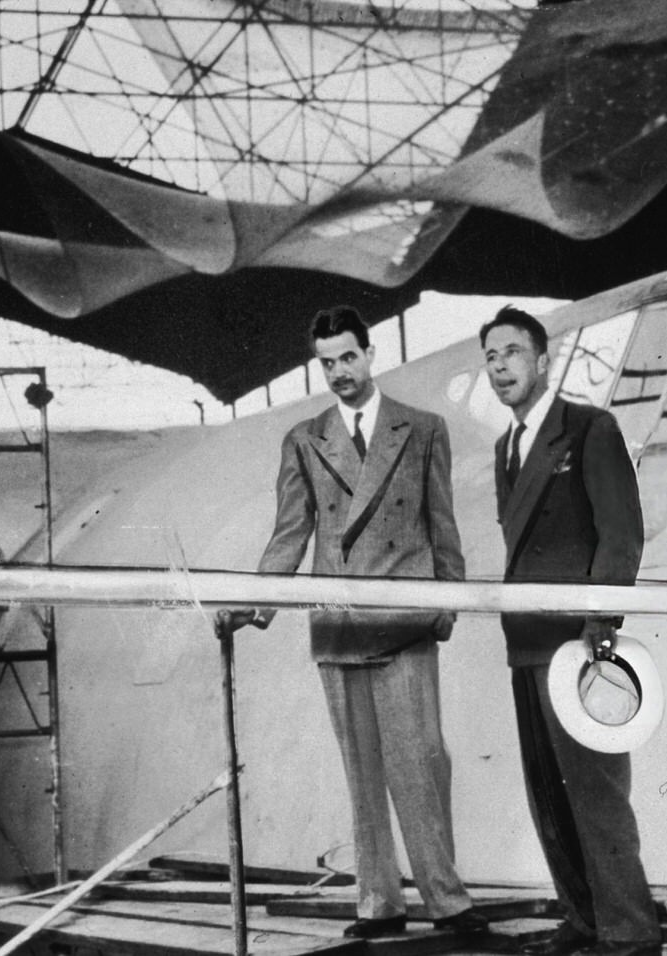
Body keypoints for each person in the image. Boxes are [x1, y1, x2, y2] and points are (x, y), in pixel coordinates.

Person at [219, 305, 486, 939]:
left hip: (404, 622)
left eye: (348, 357)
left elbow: (442, 526)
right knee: (362, 773)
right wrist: (258, 604)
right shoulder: (305, 439)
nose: (339, 372)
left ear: (370, 354)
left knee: (421, 763)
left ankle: (448, 902)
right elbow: (290, 533)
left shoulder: (423, 430)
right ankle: (379, 905)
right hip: (339, 630)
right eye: (327, 362)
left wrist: (445, 606)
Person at [480, 306, 662, 956]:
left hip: (576, 643)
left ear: (543, 359)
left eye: (511, 352)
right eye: (491, 357)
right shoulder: (507, 447)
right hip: (526, 642)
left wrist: (601, 627)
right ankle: (584, 920)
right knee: (549, 797)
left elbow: (621, 532)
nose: (500, 366)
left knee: (596, 795)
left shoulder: (588, 428)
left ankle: (629, 932)